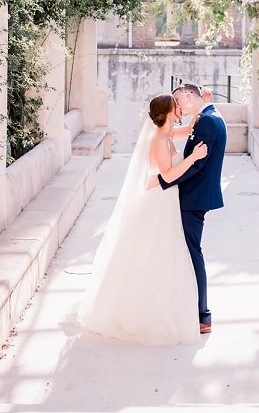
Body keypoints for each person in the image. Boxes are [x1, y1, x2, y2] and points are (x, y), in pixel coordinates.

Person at [78, 94, 207, 346]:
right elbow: (168, 175)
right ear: (168, 112)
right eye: (176, 105)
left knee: (163, 257)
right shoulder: (159, 139)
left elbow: (184, 132)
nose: (179, 106)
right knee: (152, 256)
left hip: (166, 202)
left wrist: (200, 108)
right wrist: (193, 158)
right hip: (157, 202)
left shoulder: (167, 133)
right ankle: (143, 313)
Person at [160, 83, 227, 334]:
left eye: (178, 100)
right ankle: (193, 309)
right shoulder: (208, 116)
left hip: (193, 197)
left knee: (192, 254)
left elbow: (196, 166)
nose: (177, 106)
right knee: (188, 252)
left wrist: (164, 181)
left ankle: (202, 315)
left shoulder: (208, 122)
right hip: (194, 196)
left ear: (189, 96)